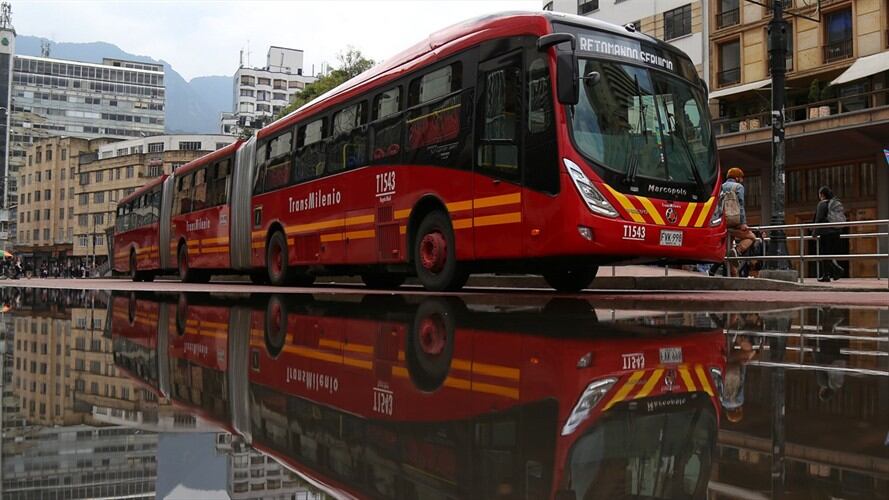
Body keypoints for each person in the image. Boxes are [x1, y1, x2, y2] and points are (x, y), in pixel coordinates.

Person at [710, 167, 756, 277]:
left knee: (728, 252)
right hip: (735, 222)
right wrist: (743, 223)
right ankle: (738, 250)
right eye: (741, 178)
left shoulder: (720, 187)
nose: (742, 180)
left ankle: (715, 271)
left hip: (722, 222)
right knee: (751, 237)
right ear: (737, 178)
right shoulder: (738, 187)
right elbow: (741, 205)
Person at [813, 186, 845, 282]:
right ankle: (832, 273)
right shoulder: (835, 203)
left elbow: (819, 219)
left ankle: (832, 272)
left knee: (824, 254)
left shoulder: (822, 204)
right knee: (829, 254)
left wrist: (814, 232)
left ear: (822, 194)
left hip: (826, 233)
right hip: (836, 232)